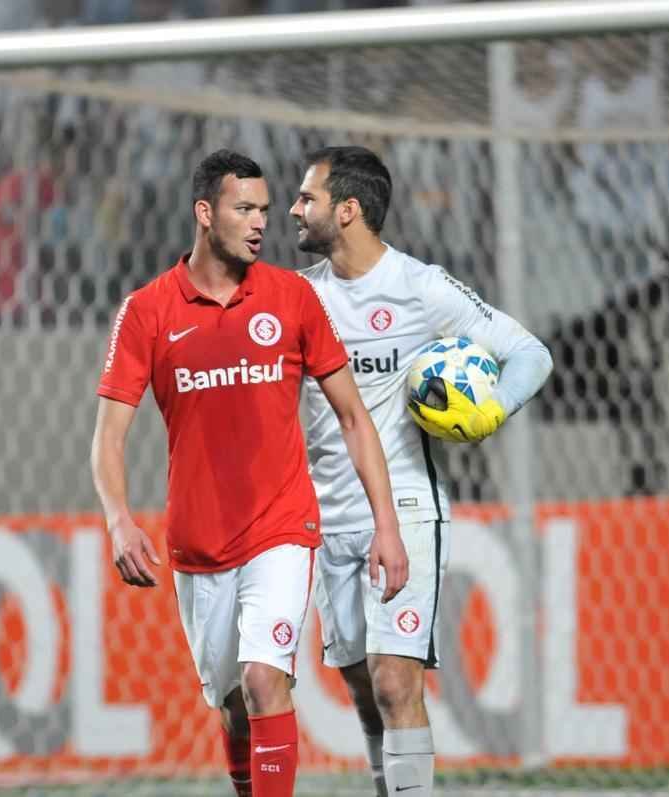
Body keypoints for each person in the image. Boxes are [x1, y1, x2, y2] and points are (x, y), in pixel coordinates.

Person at [90, 149, 407, 797]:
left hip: (281, 528)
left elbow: (353, 417)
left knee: (266, 681)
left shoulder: (292, 298)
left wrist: (387, 524)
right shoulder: (147, 310)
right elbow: (108, 438)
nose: (261, 221)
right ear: (205, 213)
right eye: (244, 208)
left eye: (264, 208)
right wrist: (119, 520)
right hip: (199, 543)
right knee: (234, 706)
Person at [290, 146, 553, 796]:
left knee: (393, 679)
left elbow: (530, 354)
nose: (294, 210)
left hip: (405, 505)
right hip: (326, 515)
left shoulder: (419, 286)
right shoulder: (300, 297)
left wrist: (491, 411)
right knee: (359, 680)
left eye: (307, 197)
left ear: (347, 209)